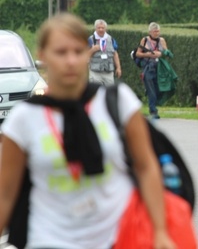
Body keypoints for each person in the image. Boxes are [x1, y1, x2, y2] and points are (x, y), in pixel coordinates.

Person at [0, 13, 174, 249]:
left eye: (78, 51)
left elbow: (146, 166)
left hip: (116, 237)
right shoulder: (24, 118)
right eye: (61, 52)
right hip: (48, 239)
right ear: (42, 56)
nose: (70, 60)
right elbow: (6, 193)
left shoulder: (117, 101)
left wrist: (160, 230)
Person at [136, 22, 168, 119]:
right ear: (150, 32)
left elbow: (167, 53)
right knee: (151, 91)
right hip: (148, 68)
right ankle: (153, 111)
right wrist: (149, 55)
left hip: (159, 68)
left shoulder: (162, 40)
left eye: (158, 31)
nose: (156, 33)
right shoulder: (144, 40)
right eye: (154, 31)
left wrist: (160, 54)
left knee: (159, 89)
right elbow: (138, 54)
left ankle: (153, 104)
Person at [88, 19, 122, 85]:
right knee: (96, 92)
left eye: (102, 28)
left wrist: (118, 68)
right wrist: (92, 50)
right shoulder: (90, 39)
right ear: (95, 28)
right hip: (95, 72)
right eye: (99, 28)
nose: (101, 29)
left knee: (109, 93)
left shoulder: (111, 39)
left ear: (105, 29)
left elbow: (115, 54)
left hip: (108, 72)